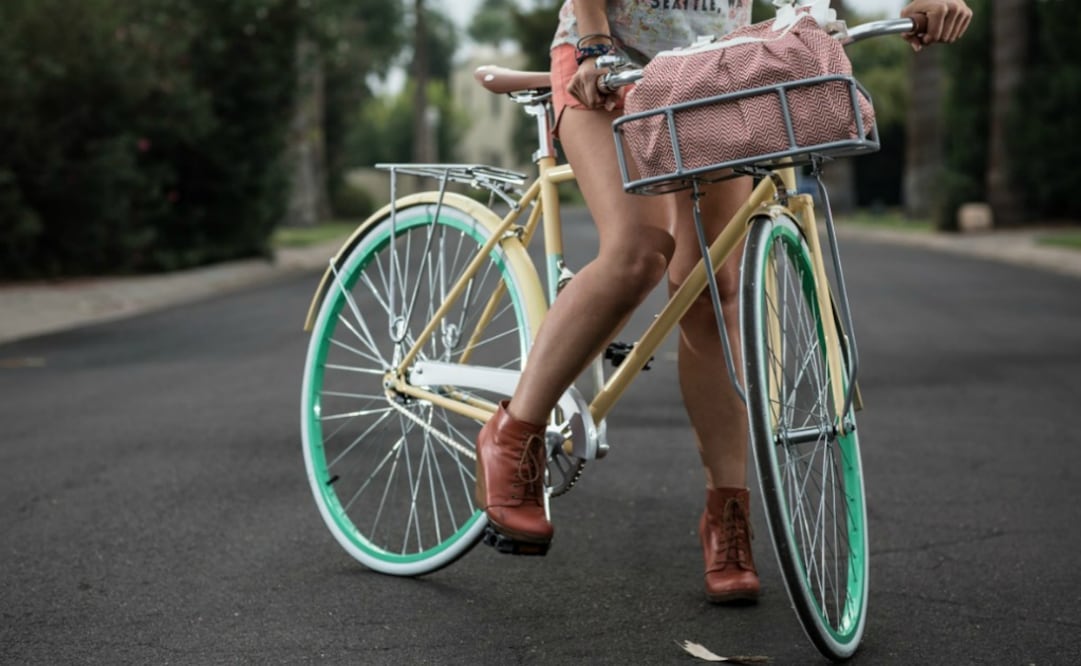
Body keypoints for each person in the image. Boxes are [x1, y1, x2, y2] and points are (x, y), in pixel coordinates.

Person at [475, 0, 973, 603]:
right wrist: (594, 38)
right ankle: (514, 431)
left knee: (716, 288)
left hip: (710, 73)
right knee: (639, 253)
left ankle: (727, 516)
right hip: (606, 65)